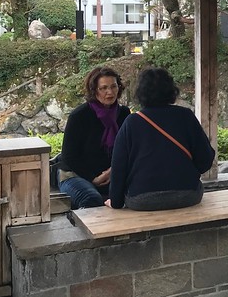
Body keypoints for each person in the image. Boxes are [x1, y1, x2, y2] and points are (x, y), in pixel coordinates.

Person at [108, 67, 215, 211]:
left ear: (140, 92)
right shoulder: (185, 116)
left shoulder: (132, 122)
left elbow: (119, 167)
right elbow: (206, 159)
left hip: (142, 199)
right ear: (171, 89)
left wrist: (115, 202)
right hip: (187, 195)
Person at [57, 66, 131, 209]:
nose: (109, 92)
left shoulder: (124, 114)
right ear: (94, 90)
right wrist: (93, 178)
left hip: (112, 173)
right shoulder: (79, 116)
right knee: (91, 198)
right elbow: (69, 156)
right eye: (103, 88)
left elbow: (129, 149)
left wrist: (112, 171)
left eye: (113, 86)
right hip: (75, 175)